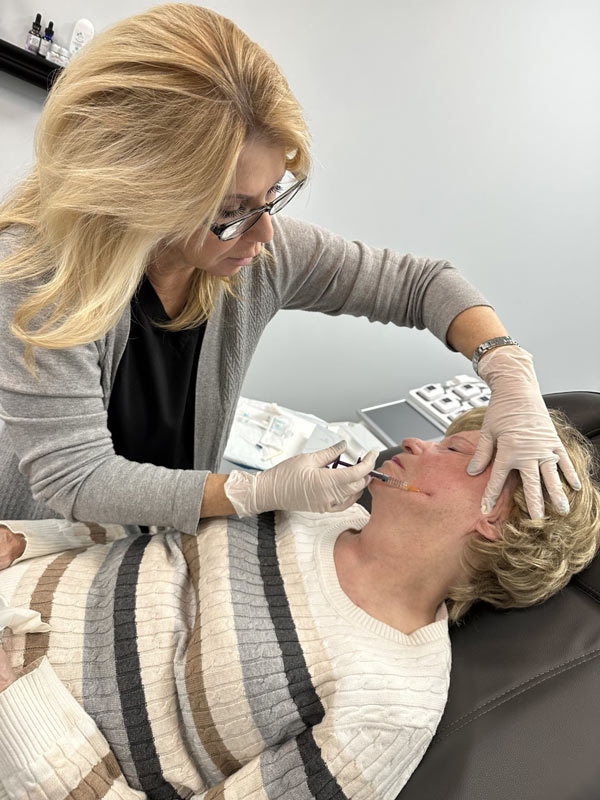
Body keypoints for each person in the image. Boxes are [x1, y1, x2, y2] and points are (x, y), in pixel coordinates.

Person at [0, 4, 580, 537]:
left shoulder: (257, 256)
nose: (264, 234)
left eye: (272, 196)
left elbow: (421, 285)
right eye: (229, 211)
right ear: (137, 194)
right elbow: (75, 478)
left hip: (169, 537)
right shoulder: (33, 274)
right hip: (46, 538)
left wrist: (507, 366)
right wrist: (256, 490)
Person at [0, 407, 598, 800]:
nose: (417, 440)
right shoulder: (315, 506)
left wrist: (17, 700)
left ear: (497, 515)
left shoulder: (388, 707)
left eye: (453, 448)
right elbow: (146, 538)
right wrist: (27, 538)